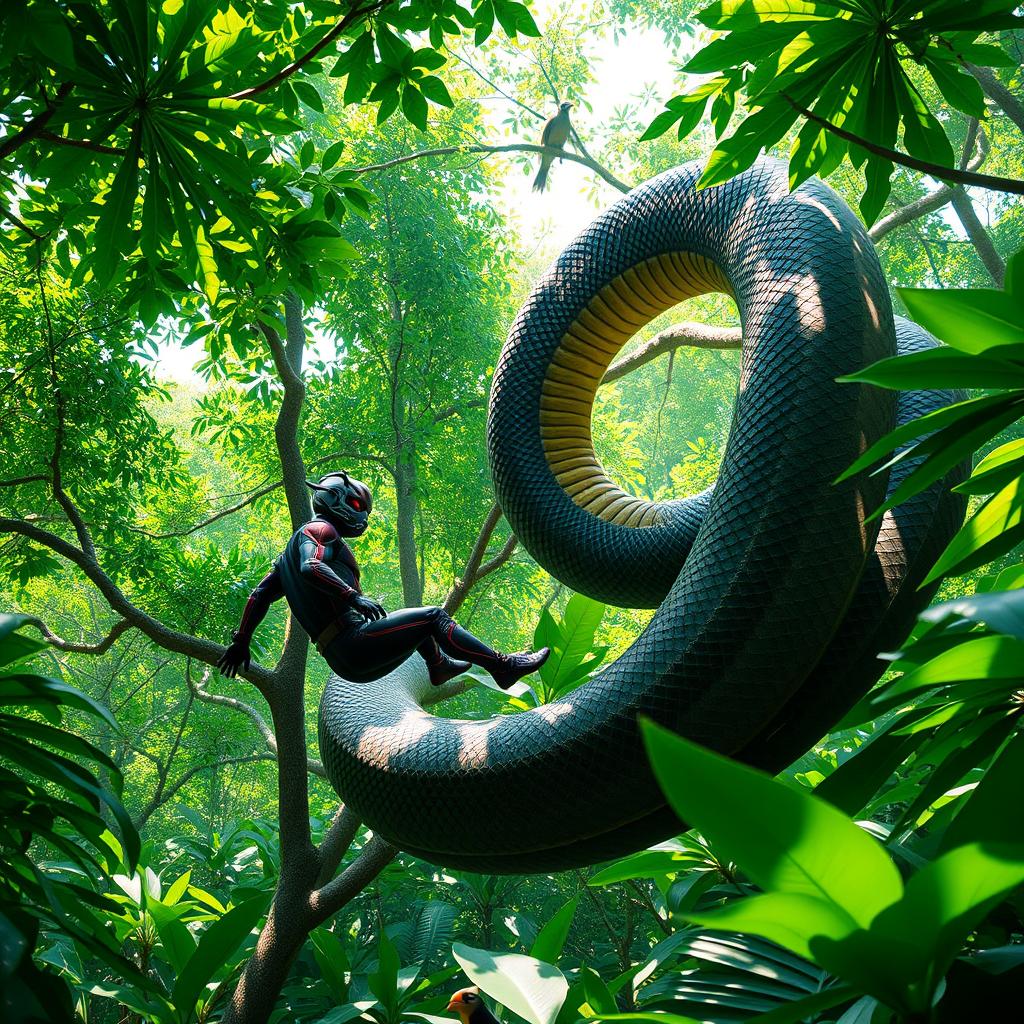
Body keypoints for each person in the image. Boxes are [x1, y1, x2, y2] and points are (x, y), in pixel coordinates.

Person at [217, 471, 549, 689]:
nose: (362, 514)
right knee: (432, 616)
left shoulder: (284, 560)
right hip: (353, 642)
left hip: (342, 659)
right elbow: (311, 567)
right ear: (336, 499)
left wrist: (242, 641)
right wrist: (353, 597)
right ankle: (502, 666)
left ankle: (438, 665)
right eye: (358, 504)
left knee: (407, 620)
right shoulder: (319, 530)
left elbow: (259, 595)